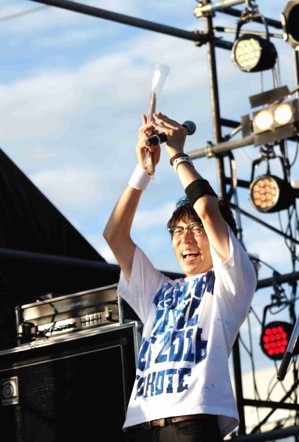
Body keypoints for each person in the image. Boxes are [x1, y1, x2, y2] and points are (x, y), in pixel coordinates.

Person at [104, 111, 257, 441]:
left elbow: (207, 209)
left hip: (191, 421)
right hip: (142, 424)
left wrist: (177, 154)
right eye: (176, 231)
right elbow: (114, 235)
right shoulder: (158, 288)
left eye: (195, 229)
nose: (184, 238)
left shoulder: (231, 280)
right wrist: (143, 171)